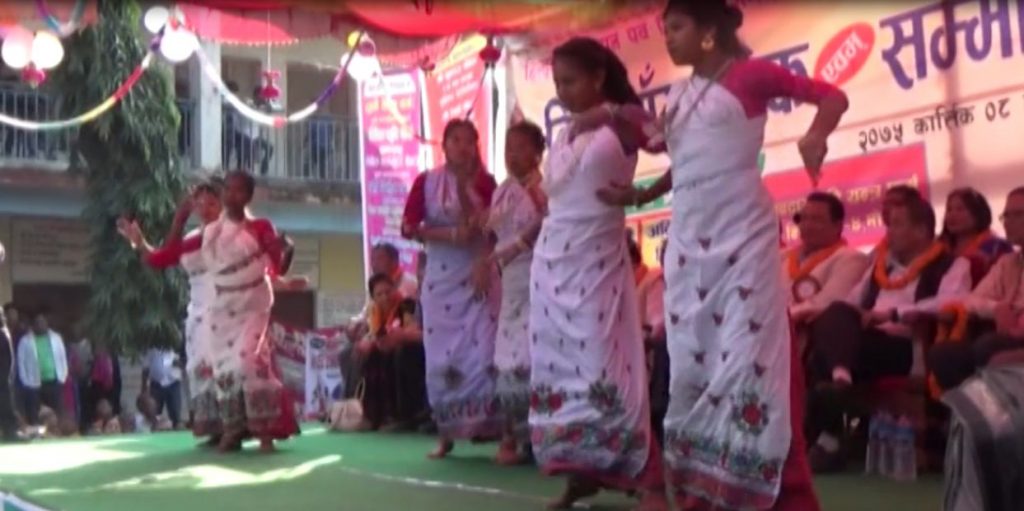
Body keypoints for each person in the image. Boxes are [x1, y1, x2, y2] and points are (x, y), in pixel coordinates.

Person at [591, 1, 848, 508]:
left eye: (677, 28)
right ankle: (710, 486)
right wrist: (642, 194)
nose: (668, 38)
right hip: (690, 239)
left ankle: (777, 487)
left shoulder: (751, 75)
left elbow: (832, 96)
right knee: (696, 360)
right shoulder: (680, 94)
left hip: (741, 234)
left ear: (708, 31)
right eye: (665, 29)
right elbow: (684, 158)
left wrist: (816, 135)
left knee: (749, 355)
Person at [526, 37, 665, 511]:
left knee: (606, 368)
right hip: (552, 263)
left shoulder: (624, 120)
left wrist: (643, 194)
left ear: (599, 77)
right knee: (560, 370)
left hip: (596, 259)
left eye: (570, 81)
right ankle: (579, 472)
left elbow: (672, 142)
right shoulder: (567, 131)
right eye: (557, 82)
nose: (562, 91)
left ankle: (649, 478)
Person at [804, 197, 971, 472]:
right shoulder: (881, 266)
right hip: (864, 341)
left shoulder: (953, 264)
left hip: (905, 344)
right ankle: (840, 376)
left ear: (921, 230)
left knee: (824, 354)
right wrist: (855, 316)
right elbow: (851, 302)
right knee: (835, 313)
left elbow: (952, 302)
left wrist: (893, 313)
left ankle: (829, 436)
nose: (888, 232)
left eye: (896, 225)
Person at [401, 119, 502, 459]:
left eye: (469, 141)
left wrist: (483, 256)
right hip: (441, 277)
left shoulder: (486, 183)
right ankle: (446, 433)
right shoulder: (426, 182)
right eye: (456, 140)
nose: (462, 147)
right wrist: (448, 235)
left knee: (486, 351)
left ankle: (496, 430)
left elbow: (497, 228)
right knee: (441, 356)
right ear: (443, 145)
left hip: (479, 274)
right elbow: (408, 227)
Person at [199, 170, 302, 452]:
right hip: (223, 308)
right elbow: (178, 256)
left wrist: (287, 249)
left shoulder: (260, 227)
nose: (231, 195)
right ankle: (233, 430)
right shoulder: (212, 232)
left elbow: (277, 267)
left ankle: (265, 431)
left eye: (238, 191)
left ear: (249, 196)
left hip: (254, 305)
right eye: (228, 190)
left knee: (248, 362)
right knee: (225, 369)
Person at [120, 181, 224, 445]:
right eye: (200, 202)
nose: (205, 208)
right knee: (200, 368)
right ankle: (213, 427)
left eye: (212, 203)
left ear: (224, 205)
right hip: (197, 309)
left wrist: (179, 219)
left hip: (222, 307)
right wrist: (140, 243)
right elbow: (161, 259)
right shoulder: (191, 237)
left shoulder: (225, 232)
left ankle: (232, 426)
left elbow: (174, 250)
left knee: (220, 368)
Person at [481, 121, 547, 465]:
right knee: (506, 356)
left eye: (521, 148)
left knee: (532, 356)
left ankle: (538, 438)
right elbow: (491, 233)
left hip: (539, 278)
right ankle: (511, 436)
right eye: (509, 148)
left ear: (537, 153)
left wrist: (516, 246)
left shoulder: (544, 187)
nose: (512, 155)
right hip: (509, 283)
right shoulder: (502, 192)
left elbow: (547, 220)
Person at [929, 187, 1024, 391]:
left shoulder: (995, 248)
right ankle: (976, 409)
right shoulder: (1008, 262)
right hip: (1006, 332)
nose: (1008, 222)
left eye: (1018, 215)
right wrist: (997, 308)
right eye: (1006, 215)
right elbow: (971, 300)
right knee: (944, 354)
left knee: (988, 345)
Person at [342, 243, 418, 401]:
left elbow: (400, 319)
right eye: (373, 259)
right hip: (379, 334)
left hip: (401, 336)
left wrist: (370, 337)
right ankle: (353, 403)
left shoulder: (408, 283)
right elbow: (366, 313)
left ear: (394, 261)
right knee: (347, 352)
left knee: (374, 352)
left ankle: (368, 404)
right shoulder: (376, 286)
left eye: (379, 258)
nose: (374, 263)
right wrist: (354, 324)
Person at [785, 192, 869, 326]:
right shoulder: (782, 257)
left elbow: (826, 304)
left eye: (816, 220)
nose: (807, 225)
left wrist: (778, 319)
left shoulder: (851, 259)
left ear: (837, 226)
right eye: (803, 218)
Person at [938, 187, 1013, 287]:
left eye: (960, 209)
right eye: (949, 209)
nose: (952, 215)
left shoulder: (997, 247)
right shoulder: (938, 249)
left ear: (978, 213)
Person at [17, 309, 69, 426]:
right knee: (35, 415)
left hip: (54, 382)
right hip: (34, 384)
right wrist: (26, 381)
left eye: (42, 322)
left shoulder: (56, 338)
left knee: (57, 412)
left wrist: (63, 377)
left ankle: (57, 433)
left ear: (47, 323)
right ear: (33, 325)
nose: (40, 325)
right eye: (37, 322)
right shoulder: (25, 341)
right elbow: (21, 363)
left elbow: (62, 358)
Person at [141, 347, 183, 429]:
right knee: (154, 413)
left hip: (173, 384)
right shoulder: (151, 348)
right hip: (156, 385)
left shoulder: (175, 347)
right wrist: (143, 388)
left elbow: (183, 361)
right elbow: (145, 368)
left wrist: (178, 362)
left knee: (175, 413)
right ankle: (154, 432)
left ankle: (176, 432)